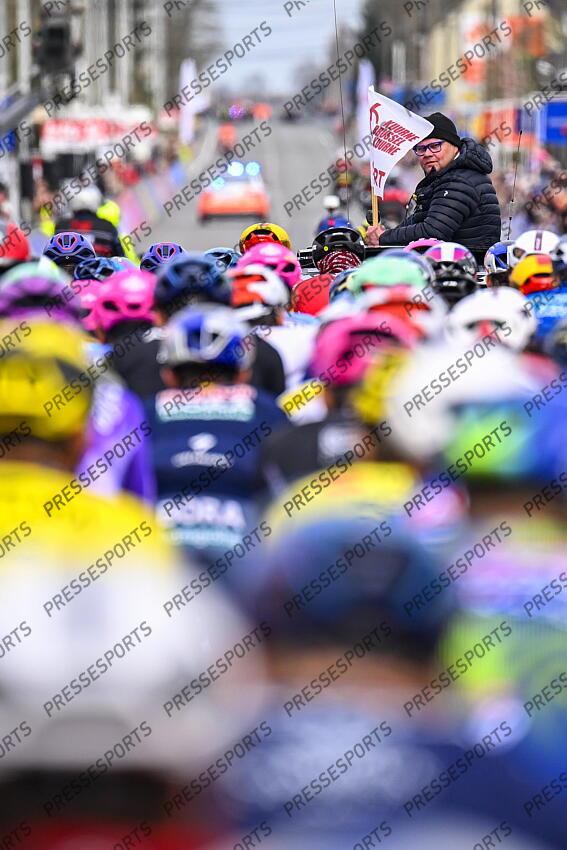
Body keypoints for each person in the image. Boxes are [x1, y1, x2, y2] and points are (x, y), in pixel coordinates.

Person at [366, 113, 501, 253]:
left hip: (466, 265)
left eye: (435, 146)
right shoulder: (442, 178)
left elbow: (433, 232)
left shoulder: (459, 181)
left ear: (454, 145)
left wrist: (384, 238)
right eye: (421, 148)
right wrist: (384, 234)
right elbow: (416, 221)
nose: (427, 154)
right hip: (449, 261)